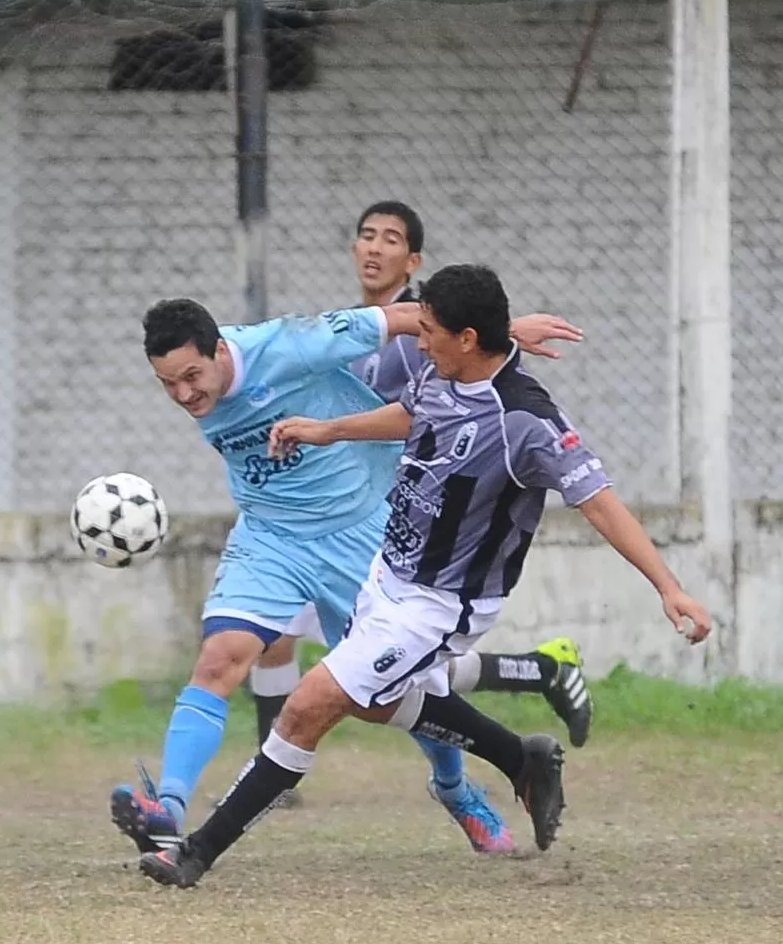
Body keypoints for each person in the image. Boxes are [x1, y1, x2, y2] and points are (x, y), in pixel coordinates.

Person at [138, 263, 711, 890]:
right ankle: (521, 756)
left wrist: (668, 585)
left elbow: (599, 500)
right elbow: (408, 415)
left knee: (307, 707)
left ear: (466, 337)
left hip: (442, 602)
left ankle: (194, 853)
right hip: (388, 570)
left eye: (429, 327)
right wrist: (328, 430)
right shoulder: (443, 375)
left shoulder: (527, 421)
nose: (417, 338)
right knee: (379, 701)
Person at [110, 288, 581, 859]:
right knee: (218, 659)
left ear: (218, 351)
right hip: (270, 536)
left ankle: (458, 790)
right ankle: (169, 809)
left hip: (359, 531)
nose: (185, 394)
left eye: (192, 377)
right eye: (169, 384)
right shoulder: (196, 385)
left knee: (391, 691)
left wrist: (502, 333)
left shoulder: (290, 344)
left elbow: (403, 318)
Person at [250, 200, 594, 765]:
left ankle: (499, 738)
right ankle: (536, 680)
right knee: (327, 652)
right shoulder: (358, 331)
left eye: (391, 239)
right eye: (367, 235)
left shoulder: (422, 338)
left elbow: (468, 354)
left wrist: (505, 333)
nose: (375, 247)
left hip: (400, 522)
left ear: (413, 262)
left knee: (361, 663)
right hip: (346, 515)